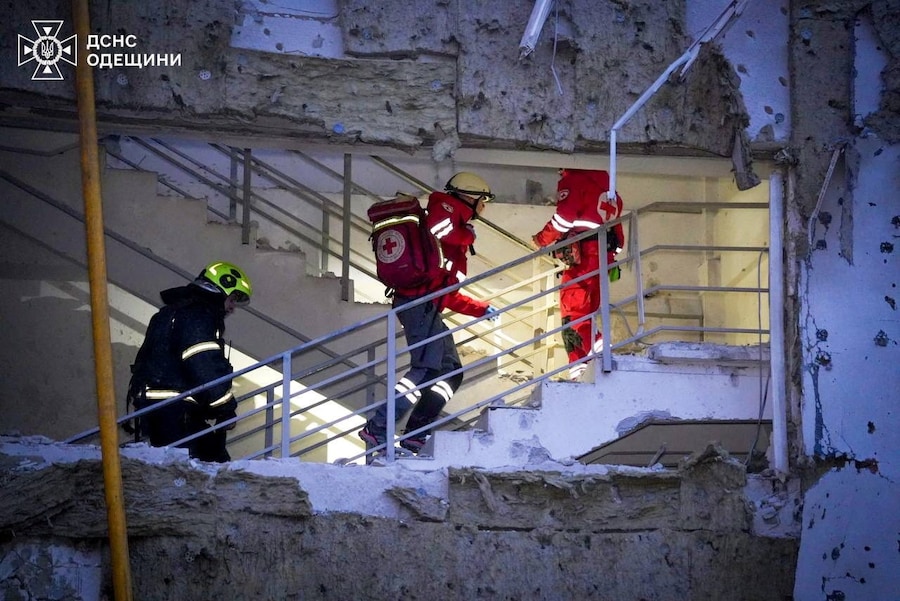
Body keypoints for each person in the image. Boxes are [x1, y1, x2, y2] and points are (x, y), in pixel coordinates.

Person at [360, 172, 498, 454]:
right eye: (483, 201)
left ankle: (415, 433)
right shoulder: (445, 207)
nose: (484, 207)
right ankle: (377, 428)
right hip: (417, 304)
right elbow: (438, 226)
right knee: (425, 369)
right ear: (471, 197)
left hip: (427, 305)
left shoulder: (452, 236)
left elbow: (446, 291)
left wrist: (480, 309)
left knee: (451, 371)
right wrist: (466, 234)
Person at [126, 260, 252, 462]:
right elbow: (203, 363)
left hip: (158, 407)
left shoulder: (172, 312)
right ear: (222, 290)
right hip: (175, 411)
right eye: (232, 299)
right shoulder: (199, 316)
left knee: (207, 463)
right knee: (208, 469)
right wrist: (225, 409)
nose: (231, 308)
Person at [532, 168, 624, 381]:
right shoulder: (609, 189)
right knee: (587, 314)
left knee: (573, 315)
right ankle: (583, 368)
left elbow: (564, 218)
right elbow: (618, 237)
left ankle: (596, 357)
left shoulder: (574, 181)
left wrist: (541, 240)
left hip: (582, 259)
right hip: (602, 259)